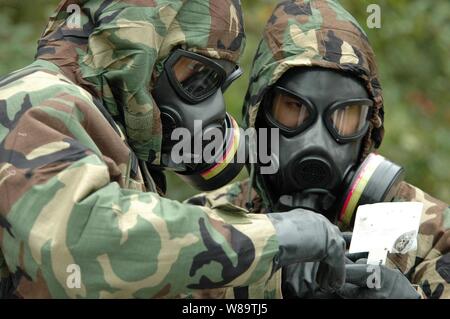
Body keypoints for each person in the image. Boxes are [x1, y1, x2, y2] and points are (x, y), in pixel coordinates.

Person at [0, 0, 348, 299]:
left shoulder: (111, 137)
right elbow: (78, 247)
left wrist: (279, 283)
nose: (211, 107)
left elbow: (142, 279)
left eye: (217, 84)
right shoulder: (36, 98)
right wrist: (275, 235)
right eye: (198, 75)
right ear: (139, 46)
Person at [191, 0, 449, 299]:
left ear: (369, 126)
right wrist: (263, 288)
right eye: (294, 108)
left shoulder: (433, 231)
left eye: (344, 115)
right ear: (259, 115)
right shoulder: (206, 224)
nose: (316, 140)